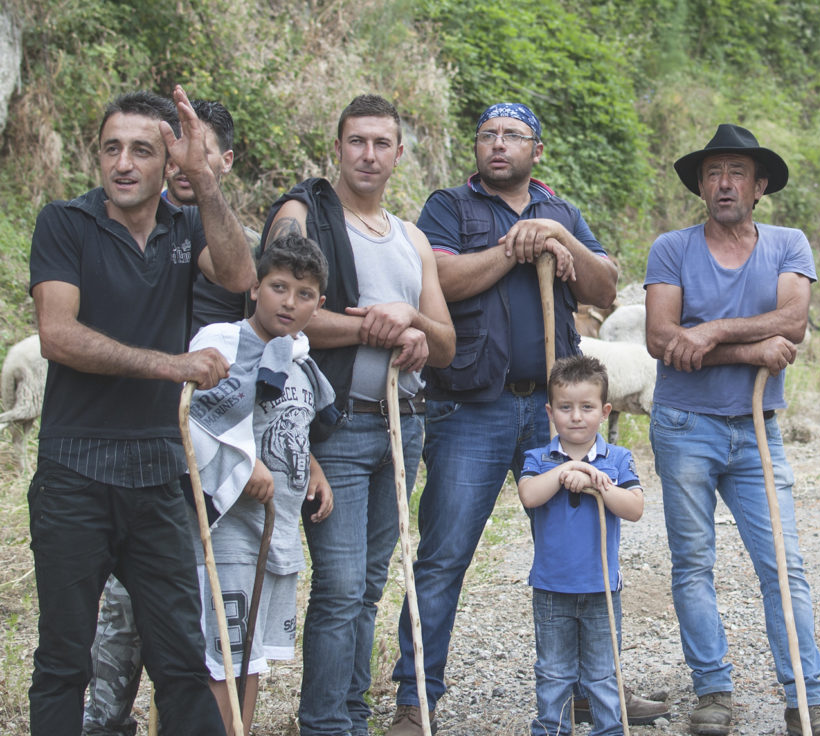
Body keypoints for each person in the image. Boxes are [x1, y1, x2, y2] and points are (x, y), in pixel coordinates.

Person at [386, 102, 672, 736]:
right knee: (444, 555)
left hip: (558, 410)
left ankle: (592, 693)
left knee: (583, 545)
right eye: (487, 134)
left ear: (536, 150)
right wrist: (516, 248)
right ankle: (415, 699)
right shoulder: (449, 208)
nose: (497, 144)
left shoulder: (560, 211)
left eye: (512, 135)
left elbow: (603, 287)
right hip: (472, 408)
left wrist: (558, 239)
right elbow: (440, 278)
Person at [28, 88, 255, 735]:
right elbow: (57, 335)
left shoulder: (185, 227)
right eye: (112, 148)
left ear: (167, 163)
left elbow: (240, 277)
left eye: (141, 150)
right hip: (74, 473)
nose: (123, 163)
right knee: (65, 659)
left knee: (181, 658)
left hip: (158, 475)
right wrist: (170, 365)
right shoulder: (64, 223)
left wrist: (205, 181)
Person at [262, 94, 455, 736]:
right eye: (356, 141)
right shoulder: (305, 216)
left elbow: (445, 343)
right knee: (341, 587)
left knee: (369, 586)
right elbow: (280, 313)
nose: (368, 155)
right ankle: (323, 723)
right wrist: (381, 329)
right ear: (338, 147)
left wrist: (414, 322)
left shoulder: (412, 238)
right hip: (336, 424)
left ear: (398, 154)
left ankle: (350, 714)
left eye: (381, 143)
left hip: (404, 423)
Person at [644, 124, 820, 736]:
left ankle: (806, 698)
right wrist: (750, 350)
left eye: (737, 172)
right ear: (701, 186)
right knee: (692, 563)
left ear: (759, 187)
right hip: (684, 425)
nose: (724, 183)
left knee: (783, 564)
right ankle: (713, 692)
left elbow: (794, 322)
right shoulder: (671, 248)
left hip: (758, 428)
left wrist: (709, 332)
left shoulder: (788, 243)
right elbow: (661, 339)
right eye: (713, 173)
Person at [188, 232, 335, 734]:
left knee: (249, 655)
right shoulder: (224, 343)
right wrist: (241, 462)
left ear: (319, 304)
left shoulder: (299, 357)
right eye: (278, 287)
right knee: (222, 655)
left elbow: (283, 424)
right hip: (229, 531)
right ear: (254, 287)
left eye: (304, 293)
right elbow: (189, 417)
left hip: (276, 534)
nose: (289, 302)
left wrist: (310, 465)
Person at [517, 355, 645, 736]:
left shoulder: (616, 459)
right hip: (551, 589)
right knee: (553, 672)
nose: (576, 417)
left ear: (605, 412)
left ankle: (608, 730)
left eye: (587, 407)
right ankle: (553, 729)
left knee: (603, 672)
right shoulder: (539, 459)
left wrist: (598, 484)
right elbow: (529, 496)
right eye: (565, 407)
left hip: (601, 588)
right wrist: (565, 471)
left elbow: (635, 508)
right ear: (549, 411)